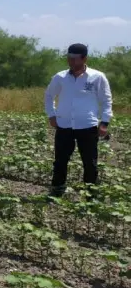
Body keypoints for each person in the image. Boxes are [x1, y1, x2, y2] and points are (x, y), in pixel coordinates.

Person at [44, 43, 113, 197]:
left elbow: (106, 100)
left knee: (90, 162)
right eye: (69, 58)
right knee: (60, 160)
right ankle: (57, 189)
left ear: (84, 58)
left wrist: (104, 122)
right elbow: (49, 96)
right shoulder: (60, 77)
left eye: (75, 59)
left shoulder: (97, 77)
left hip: (87, 125)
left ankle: (90, 193)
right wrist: (51, 114)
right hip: (64, 125)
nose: (71, 62)